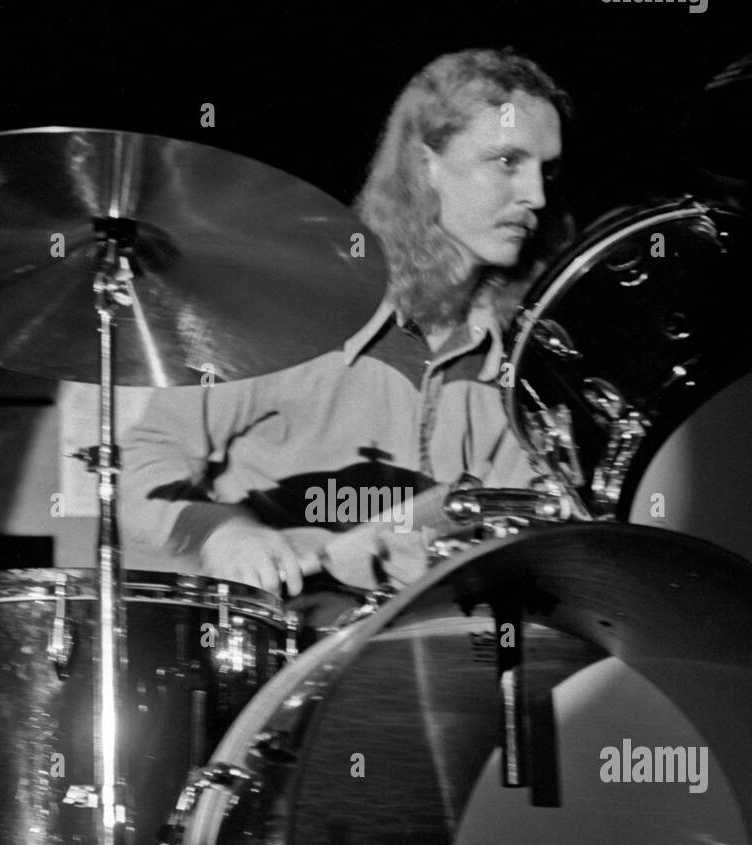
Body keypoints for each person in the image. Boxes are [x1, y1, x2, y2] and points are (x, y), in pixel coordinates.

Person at [120, 47, 574, 625]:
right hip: (275, 646)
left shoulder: (523, 358)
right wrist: (220, 534)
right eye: (507, 161)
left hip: (437, 657)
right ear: (424, 163)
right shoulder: (288, 305)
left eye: (547, 170)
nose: (535, 194)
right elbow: (144, 461)